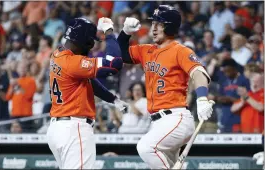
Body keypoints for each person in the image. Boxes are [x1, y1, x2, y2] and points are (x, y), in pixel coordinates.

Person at [117, 5, 215, 169]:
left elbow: (199, 73)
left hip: (176, 118)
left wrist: (202, 98)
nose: (153, 28)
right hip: (157, 122)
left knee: (145, 147)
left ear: (169, 26)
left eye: (159, 24)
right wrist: (124, 33)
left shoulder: (180, 51)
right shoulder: (146, 50)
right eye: (153, 23)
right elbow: (120, 54)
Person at [46, 17, 127, 169]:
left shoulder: (57, 54)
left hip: (58, 129)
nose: (92, 45)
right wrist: (109, 32)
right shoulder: (72, 63)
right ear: (84, 41)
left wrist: (113, 99)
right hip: (74, 129)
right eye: (91, 41)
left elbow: (88, 81)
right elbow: (113, 64)